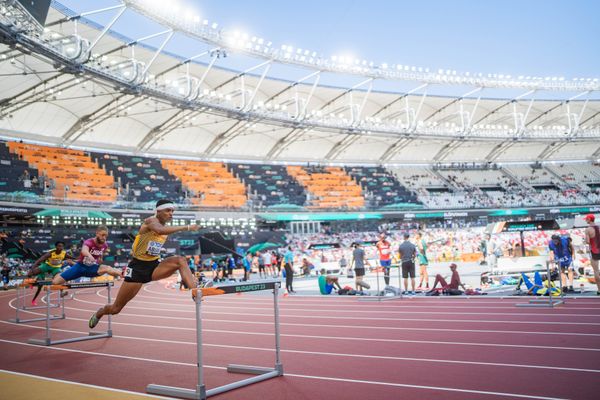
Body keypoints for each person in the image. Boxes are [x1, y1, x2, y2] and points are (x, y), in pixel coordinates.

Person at [89, 200, 199, 329]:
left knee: (180, 260)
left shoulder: (165, 227)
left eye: (173, 211)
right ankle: (100, 312)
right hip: (137, 269)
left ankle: (195, 292)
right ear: (158, 211)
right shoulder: (150, 221)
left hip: (154, 266)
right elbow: (159, 231)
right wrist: (186, 227)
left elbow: (158, 238)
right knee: (116, 309)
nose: (171, 214)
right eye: (168, 210)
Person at [52, 226, 122, 286]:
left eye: (106, 236)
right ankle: (60, 274)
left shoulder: (105, 245)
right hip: (79, 267)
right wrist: (89, 255)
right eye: (102, 235)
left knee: (107, 268)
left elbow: (100, 255)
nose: (104, 237)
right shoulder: (89, 242)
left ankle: (123, 274)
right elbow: (84, 250)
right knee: (55, 282)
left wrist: (100, 259)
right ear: (97, 233)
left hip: (91, 268)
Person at [28, 241, 74, 305]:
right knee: (39, 284)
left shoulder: (63, 254)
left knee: (60, 278)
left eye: (62, 246)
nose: (60, 248)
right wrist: (32, 269)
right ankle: (33, 284)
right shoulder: (50, 253)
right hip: (46, 267)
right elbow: (39, 260)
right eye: (59, 246)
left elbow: (72, 258)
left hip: (55, 268)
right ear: (56, 247)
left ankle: (61, 292)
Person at [584, 214, 600, 295]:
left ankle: (599, 290)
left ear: (589, 219)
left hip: (595, 251)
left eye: (586, 219)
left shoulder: (588, 229)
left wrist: (584, 240)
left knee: (596, 271)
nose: (585, 220)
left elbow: (587, 242)